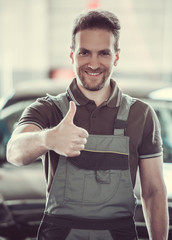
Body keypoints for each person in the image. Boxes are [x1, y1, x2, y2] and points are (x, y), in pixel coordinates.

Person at [6, 10, 169, 240]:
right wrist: (48, 138)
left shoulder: (140, 114)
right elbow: (14, 152)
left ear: (116, 56)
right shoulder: (48, 109)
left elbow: (153, 191)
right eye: (85, 52)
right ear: (72, 55)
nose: (94, 63)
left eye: (103, 53)